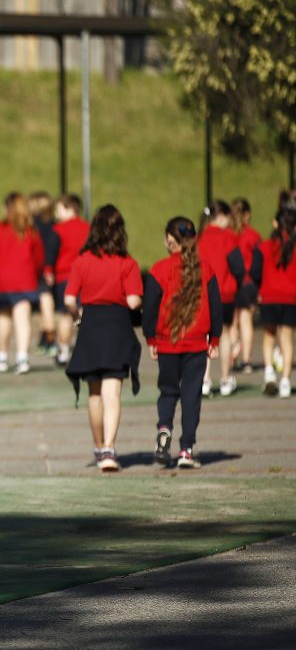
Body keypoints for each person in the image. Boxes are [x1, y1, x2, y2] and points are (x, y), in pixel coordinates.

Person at [64, 204, 143, 472]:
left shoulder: (82, 260)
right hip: (117, 325)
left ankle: (99, 448)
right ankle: (110, 448)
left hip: (91, 325)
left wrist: (78, 316)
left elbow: (68, 299)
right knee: (113, 391)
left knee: (94, 392)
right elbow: (133, 301)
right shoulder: (128, 262)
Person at [143, 217, 222, 469]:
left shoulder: (158, 269)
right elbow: (216, 305)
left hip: (167, 343)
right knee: (191, 396)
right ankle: (186, 449)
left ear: (169, 240)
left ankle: (164, 428)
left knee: (168, 391)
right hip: (197, 343)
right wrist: (215, 336)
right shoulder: (205, 269)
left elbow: (150, 308)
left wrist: (150, 337)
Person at [0, 192, 44, 375]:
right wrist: (39, 272)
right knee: (23, 319)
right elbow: (39, 257)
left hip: (4, 282)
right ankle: (22, 357)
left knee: (4, 317)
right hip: (25, 280)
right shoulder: (31, 231)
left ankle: (2, 355)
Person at [251, 205, 296, 398]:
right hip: (291, 297)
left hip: (269, 296)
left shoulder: (264, 246)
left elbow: (254, 272)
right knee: (287, 339)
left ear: (275, 224)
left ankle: (269, 372)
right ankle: (286, 380)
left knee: (269, 338)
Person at [197, 200, 240, 396]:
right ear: (221, 217)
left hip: (203, 294)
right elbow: (238, 266)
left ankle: (204, 380)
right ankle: (224, 378)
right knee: (224, 336)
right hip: (225, 293)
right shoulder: (228, 237)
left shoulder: (199, 238)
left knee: (205, 337)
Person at [51, 194, 90, 367]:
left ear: (70, 209)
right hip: (86, 275)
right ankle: (88, 349)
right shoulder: (88, 228)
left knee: (65, 314)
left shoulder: (58, 230)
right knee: (85, 312)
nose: (56, 214)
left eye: (59, 209)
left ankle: (64, 352)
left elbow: (52, 253)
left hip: (64, 277)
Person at [229, 198, 261, 374]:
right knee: (246, 319)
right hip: (249, 282)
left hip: (232, 281)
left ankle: (233, 352)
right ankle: (246, 359)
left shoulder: (228, 235)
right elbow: (259, 261)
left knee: (232, 321)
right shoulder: (253, 236)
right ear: (247, 215)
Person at [28, 191, 59, 357]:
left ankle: (51, 339)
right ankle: (44, 339)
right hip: (53, 269)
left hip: (42, 271)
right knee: (44, 305)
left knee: (46, 304)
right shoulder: (55, 225)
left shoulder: (34, 227)